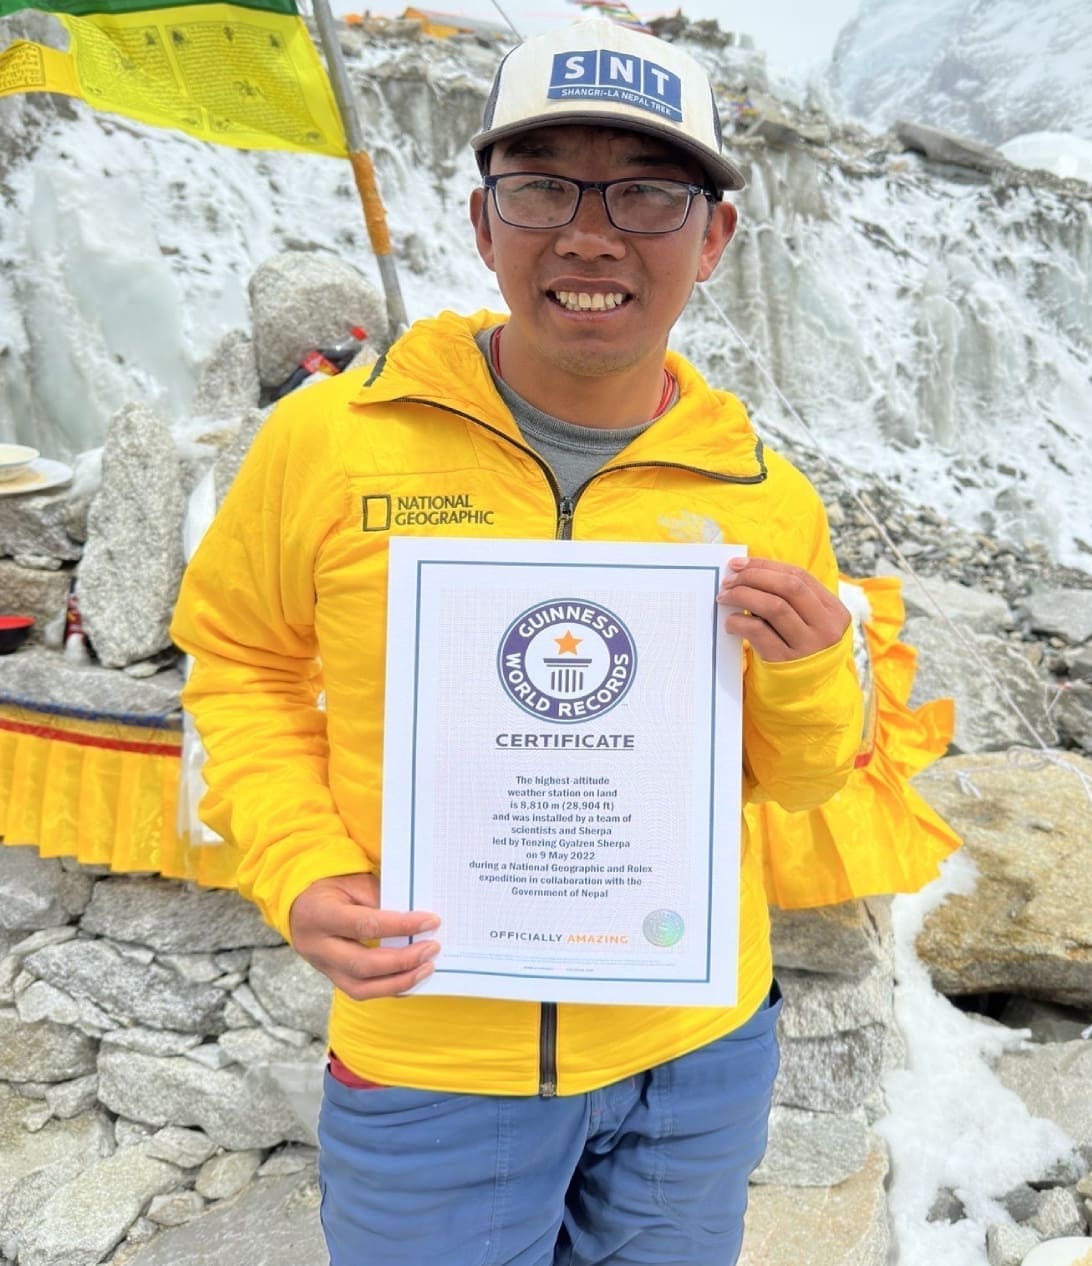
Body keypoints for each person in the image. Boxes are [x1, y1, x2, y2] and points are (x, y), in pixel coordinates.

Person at [171, 17, 863, 1266]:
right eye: (543, 185)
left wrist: (812, 675)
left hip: (694, 1057)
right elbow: (241, 662)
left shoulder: (767, 493)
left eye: (649, 193)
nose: (590, 232)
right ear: (485, 223)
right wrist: (298, 864)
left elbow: (803, 780)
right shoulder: (330, 441)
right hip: (433, 1055)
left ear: (713, 239)